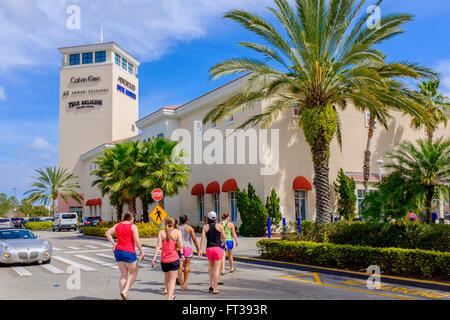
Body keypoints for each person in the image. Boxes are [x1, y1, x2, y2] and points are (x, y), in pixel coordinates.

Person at [105, 212, 144, 300]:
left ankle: (124, 297)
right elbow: (137, 241)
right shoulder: (133, 226)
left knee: (123, 275)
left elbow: (107, 233)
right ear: (132, 218)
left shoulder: (118, 225)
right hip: (129, 252)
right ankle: (124, 292)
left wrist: (113, 243)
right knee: (134, 273)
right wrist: (141, 251)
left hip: (118, 251)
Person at [152, 216, 185, 300]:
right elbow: (181, 246)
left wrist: (154, 258)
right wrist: (182, 255)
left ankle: (167, 291)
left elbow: (158, 246)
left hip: (164, 260)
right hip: (174, 259)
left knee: (166, 278)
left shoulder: (161, 232)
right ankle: (170, 296)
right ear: (174, 223)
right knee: (173, 280)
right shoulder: (177, 232)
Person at [198, 211, 226, 294]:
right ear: (216, 218)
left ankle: (211, 285)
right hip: (218, 248)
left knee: (211, 267)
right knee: (216, 269)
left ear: (208, 218)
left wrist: (200, 250)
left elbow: (202, 239)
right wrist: (221, 240)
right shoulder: (219, 226)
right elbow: (224, 237)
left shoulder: (205, 227)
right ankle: (214, 288)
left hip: (209, 248)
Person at [178, 215, 200, 289]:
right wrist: (197, 249)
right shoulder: (189, 228)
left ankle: (179, 280)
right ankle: (185, 281)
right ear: (186, 220)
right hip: (187, 248)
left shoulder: (176, 228)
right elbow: (194, 239)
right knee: (187, 265)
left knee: (179, 267)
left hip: (178, 248)